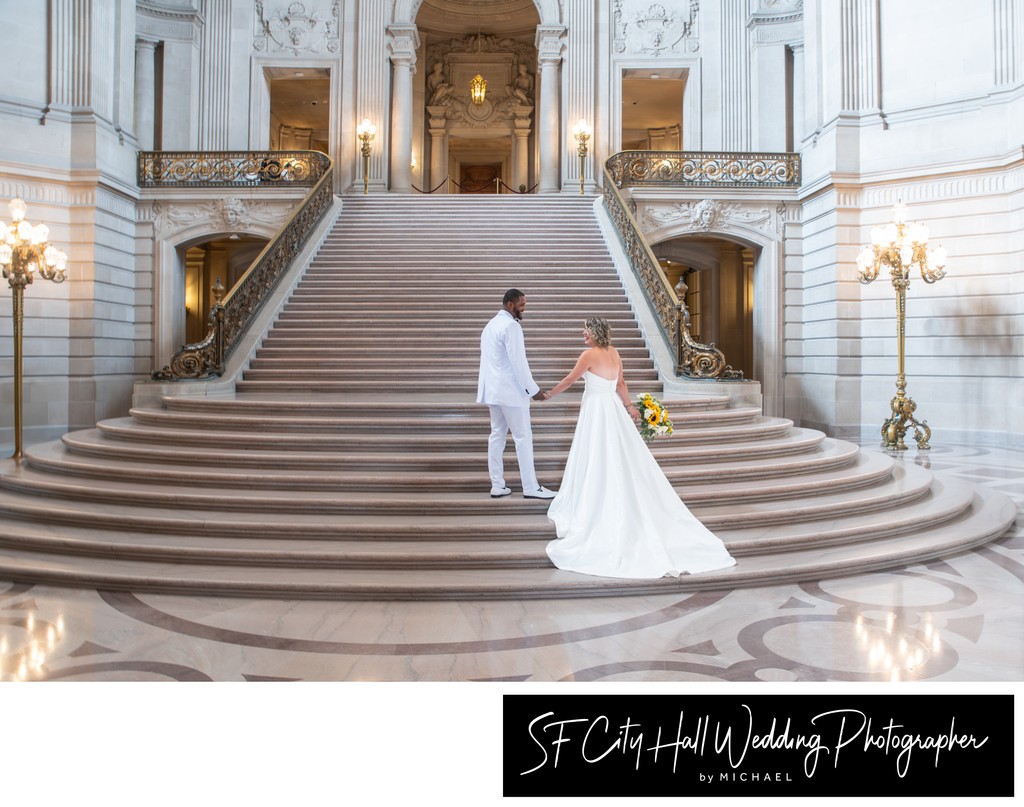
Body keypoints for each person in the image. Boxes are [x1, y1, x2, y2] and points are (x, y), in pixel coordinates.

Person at [542, 317, 736, 578]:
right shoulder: (615, 353)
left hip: (597, 411)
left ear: (595, 333)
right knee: (616, 453)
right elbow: (621, 384)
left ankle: (597, 493)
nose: (583, 333)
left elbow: (569, 380)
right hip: (612, 409)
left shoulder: (588, 355)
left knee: (596, 453)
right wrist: (630, 407)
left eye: (586, 329)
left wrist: (548, 394)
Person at [477, 289, 556, 500]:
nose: (524, 309)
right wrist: (534, 391)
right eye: (521, 305)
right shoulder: (511, 326)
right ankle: (531, 487)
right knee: (523, 437)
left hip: (493, 392)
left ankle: (497, 485)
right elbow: (519, 363)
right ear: (510, 304)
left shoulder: (490, 325)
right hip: (511, 393)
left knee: (496, 437)